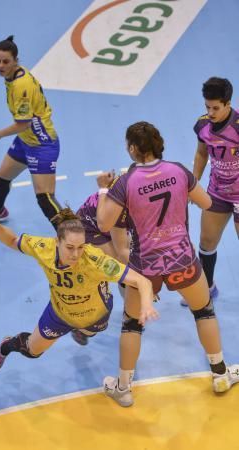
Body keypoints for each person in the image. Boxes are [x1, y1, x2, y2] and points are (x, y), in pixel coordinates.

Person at [96, 121, 239, 407]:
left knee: (132, 326)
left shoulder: (126, 182)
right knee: (204, 312)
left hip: (145, 265)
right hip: (181, 258)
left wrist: (103, 190)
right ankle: (220, 373)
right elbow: (208, 202)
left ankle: (123, 388)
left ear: (134, 149)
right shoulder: (178, 171)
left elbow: (103, 223)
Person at [0, 206, 157, 374]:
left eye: (81, 247)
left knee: (90, 331)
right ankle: (4, 347)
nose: (76, 254)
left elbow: (142, 281)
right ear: (57, 241)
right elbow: (12, 240)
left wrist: (147, 305)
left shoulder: (96, 261)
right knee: (32, 351)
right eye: (70, 247)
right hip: (60, 313)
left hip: (95, 314)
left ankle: (80, 331)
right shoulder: (44, 248)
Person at [0, 35, 62, 231]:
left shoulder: (20, 86)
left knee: (45, 198)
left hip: (42, 145)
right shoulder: (14, 75)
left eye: (6, 61)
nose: (0, 65)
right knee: (1, 180)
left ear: (16, 60)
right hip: (26, 142)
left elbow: (22, 124)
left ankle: (73, 235)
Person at [181, 77, 239, 306]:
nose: (211, 112)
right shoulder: (202, 125)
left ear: (227, 104)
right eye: (207, 107)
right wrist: (194, 183)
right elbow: (201, 154)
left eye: (215, 108)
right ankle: (207, 287)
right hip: (218, 191)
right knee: (206, 241)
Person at [73, 182, 131, 344]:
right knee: (122, 269)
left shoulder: (130, 192)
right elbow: (122, 252)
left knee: (127, 270)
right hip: (88, 231)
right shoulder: (120, 206)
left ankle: (130, 311)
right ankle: (84, 325)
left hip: (104, 227)